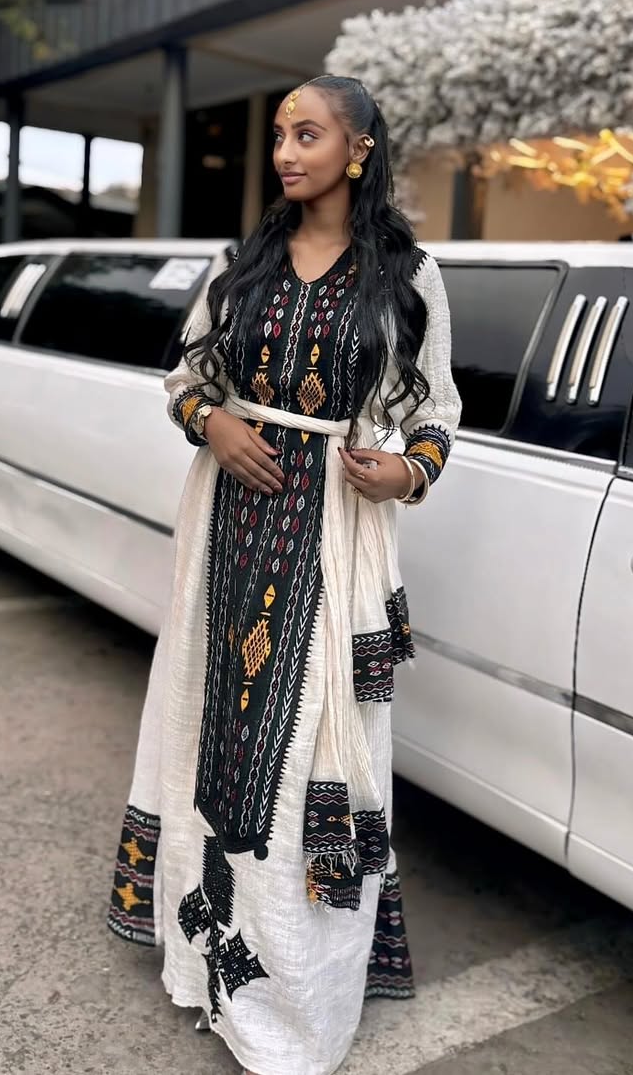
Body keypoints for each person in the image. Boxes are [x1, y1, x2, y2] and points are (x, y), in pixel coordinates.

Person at [107, 76, 461, 1075]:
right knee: (204, 731)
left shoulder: (409, 276)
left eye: (308, 135)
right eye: (279, 136)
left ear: (359, 148)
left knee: (310, 753)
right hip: (225, 533)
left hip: (333, 541)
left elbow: (436, 411)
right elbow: (186, 377)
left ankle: (296, 1005)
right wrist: (213, 423)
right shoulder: (243, 265)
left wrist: (405, 471)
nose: (286, 154)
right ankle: (203, 962)